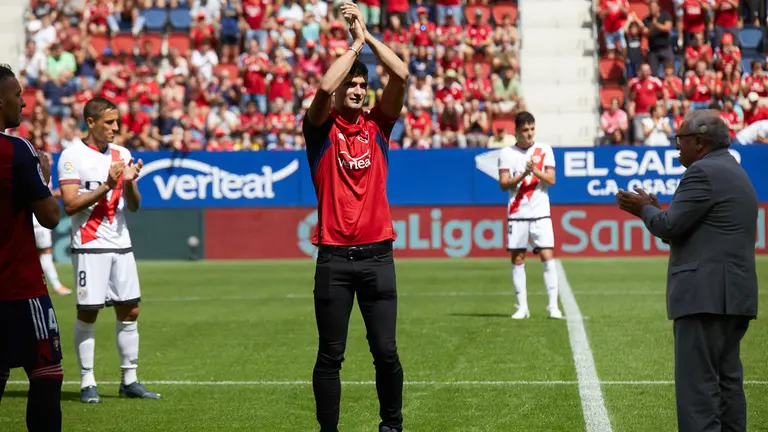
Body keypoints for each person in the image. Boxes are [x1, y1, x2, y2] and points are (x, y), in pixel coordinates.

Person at [301, 3, 408, 431]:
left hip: (378, 258)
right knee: (331, 354)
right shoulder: (319, 130)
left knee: (386, 351)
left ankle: (392, 426)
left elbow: (399, 75)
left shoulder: (378, 127)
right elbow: (325, 86)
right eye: (353, 83)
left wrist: (369, 37)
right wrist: (355, 45)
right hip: (333, 260)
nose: (358, 90)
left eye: (363, 84)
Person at [616, 109, 758, 432]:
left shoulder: (701, 173)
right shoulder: (734, 171)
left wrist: (645, 210)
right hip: (734, 297)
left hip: (704, 297)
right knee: (727, 387)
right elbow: (688, 230)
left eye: (679, 139)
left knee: (698, 394)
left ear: (699, 141)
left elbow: (671, 224)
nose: (676, 146)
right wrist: (656, 211)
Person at [57, 96, 161, 403]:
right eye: (109, 122)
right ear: (90, 123)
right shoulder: (72, 156)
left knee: (130, 309)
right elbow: (70, 205)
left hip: (121, 243)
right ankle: (88, 381)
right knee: (88, 312)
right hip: (90, 245)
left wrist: (129, 183)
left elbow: (135, 205)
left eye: (117, 122)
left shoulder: (122, 153)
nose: (115, 128)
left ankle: (129, 379)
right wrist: (106, 184)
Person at [0, 64, 63, 431]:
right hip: (20, 289)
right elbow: (51, 216)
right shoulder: (17, 150)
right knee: (45, 372)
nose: (23, 103)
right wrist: (43, 175)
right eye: (17, 95)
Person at [497, 112, 563, 319]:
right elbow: (503, 184)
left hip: (541, 212)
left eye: (532, 129)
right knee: (518, 257)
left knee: (547, 255)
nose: (529, 134)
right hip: (517, 213)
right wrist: (523, 174)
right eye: (525, 130)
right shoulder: (507, 153)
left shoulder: (544, 150)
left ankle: (553, 307)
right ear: (516, 131)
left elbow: (551, 179)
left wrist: (534, 170)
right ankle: (522, 307)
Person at [33, 153, 71, 297]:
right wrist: (55, 194)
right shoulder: (39, 175)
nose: (52, 161)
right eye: (48, 159)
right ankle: (55, 284)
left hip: (35, 220)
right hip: (38, 221)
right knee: (45, 252)